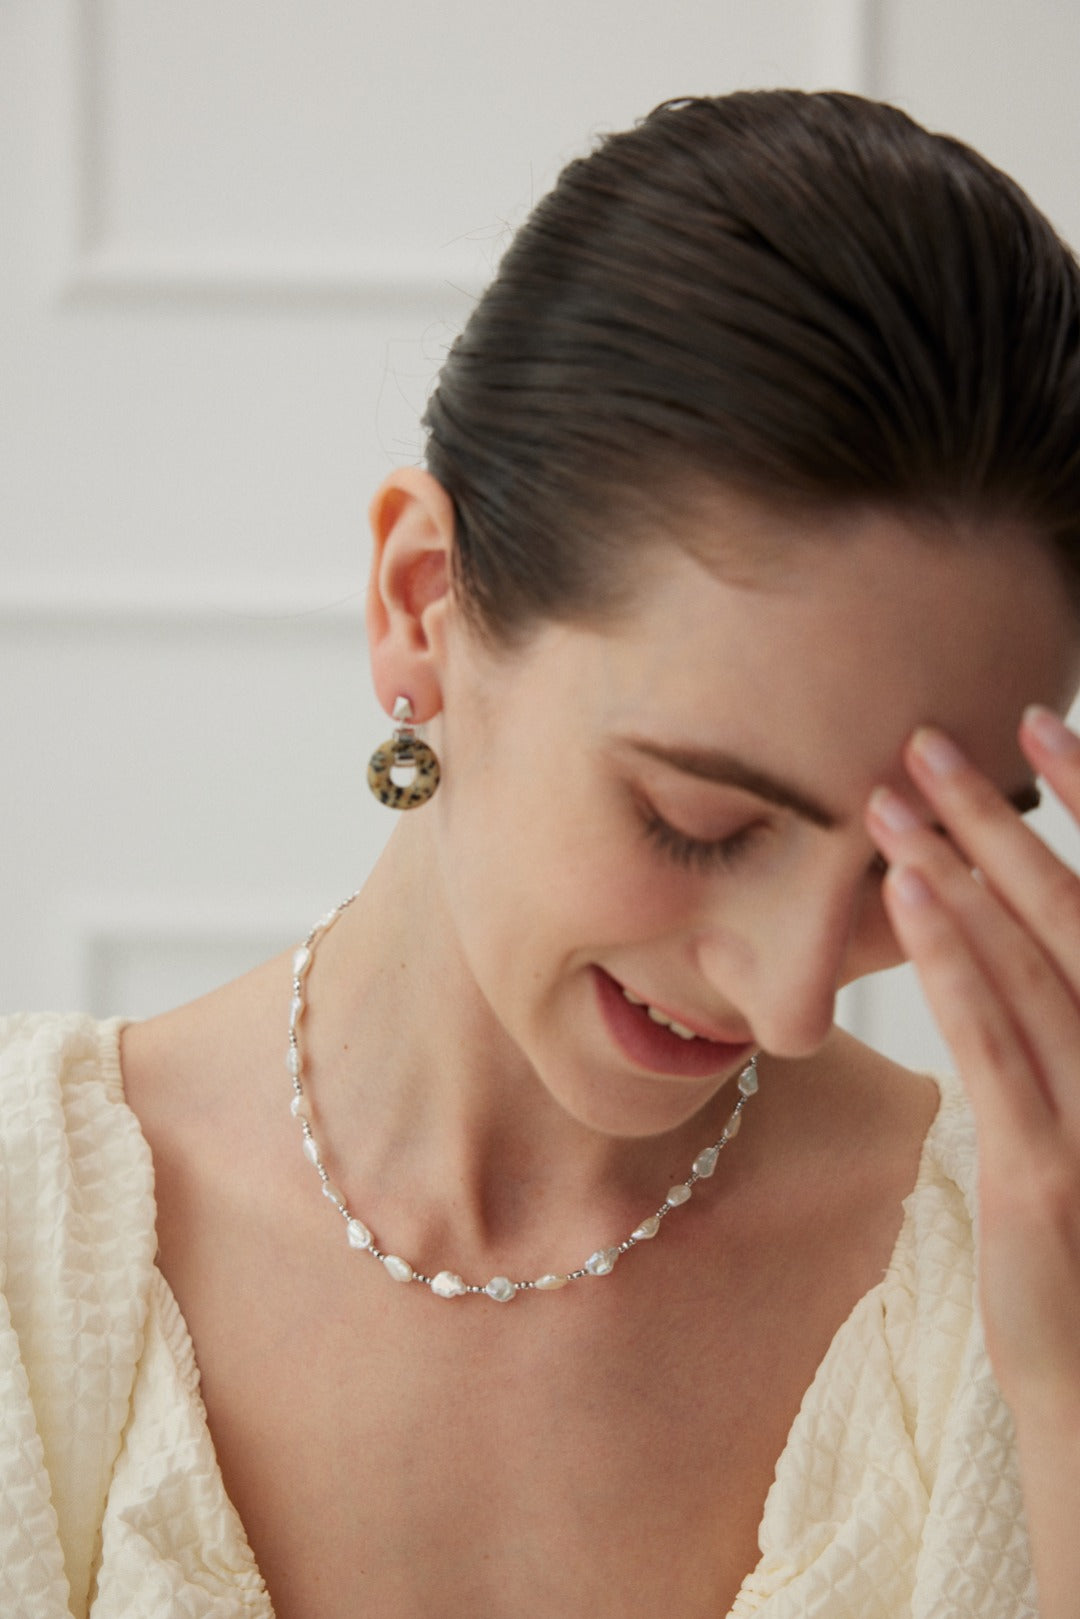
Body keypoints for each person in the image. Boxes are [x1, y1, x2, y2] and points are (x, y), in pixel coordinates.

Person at [2, 87, 1080, 1619]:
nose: (790, 1004)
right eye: (699, 822)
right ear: (421, 596)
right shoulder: (21, 1248)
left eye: (915, 862)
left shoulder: (1016, 1287)